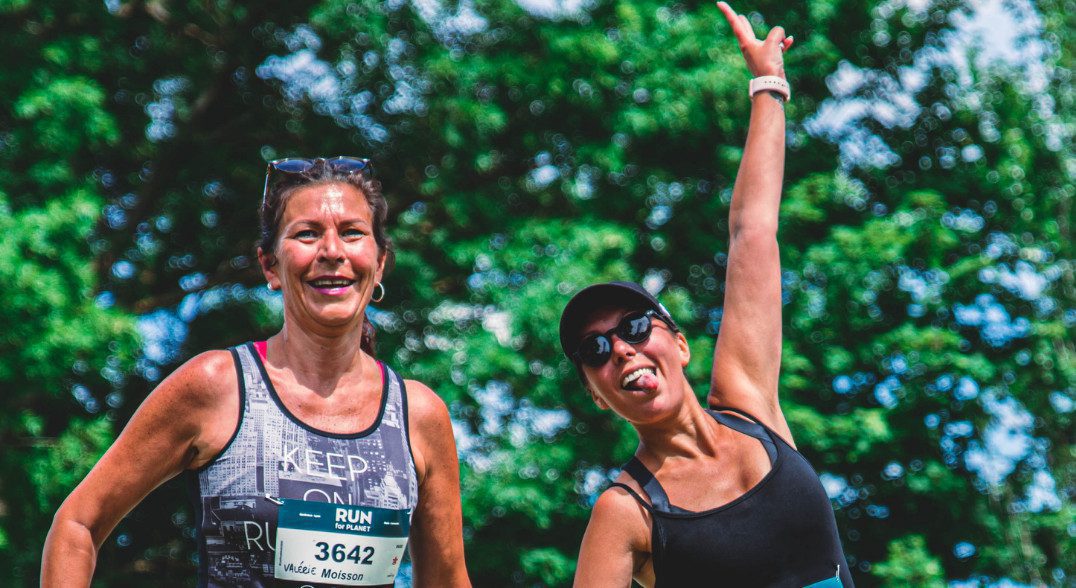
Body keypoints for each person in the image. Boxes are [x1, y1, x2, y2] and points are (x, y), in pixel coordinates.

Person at [42, 157, 471, 587]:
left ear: (378, 263)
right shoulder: (216, 386)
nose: (332, 252)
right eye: (307, 234)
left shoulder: (417, 415)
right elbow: (77, 526)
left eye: (352, 233)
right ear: (270, 266)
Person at [559, 4, 854, 587]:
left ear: (681, 343)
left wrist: (768, 85)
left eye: (636, 328)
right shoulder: (627, 512)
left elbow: (753, 232)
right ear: (596, 395)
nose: (620, 350)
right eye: (594, 350)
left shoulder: (750, 406)